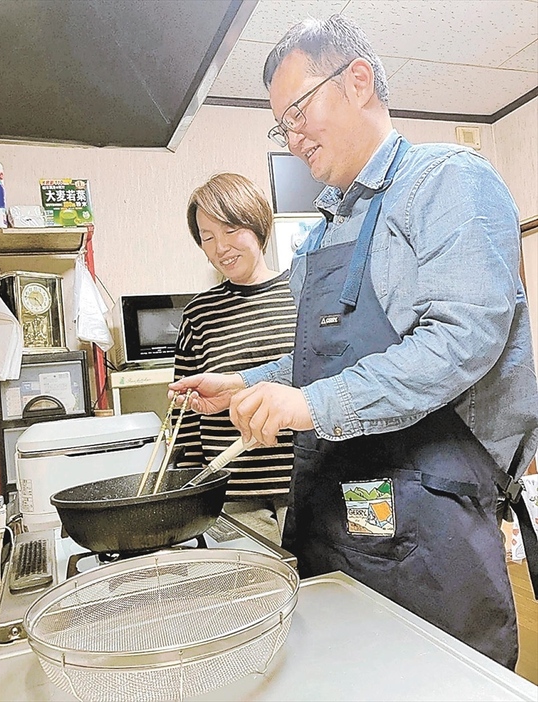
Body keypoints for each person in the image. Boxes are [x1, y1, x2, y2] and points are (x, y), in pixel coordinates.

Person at [169, 16, 538, 668]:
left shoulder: (447, 183)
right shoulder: (325, 230)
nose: (292, 135)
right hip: (345, 508)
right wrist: (250, 383)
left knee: (434, 674)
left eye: (299, 109)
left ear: (358, 80)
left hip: (430, 513)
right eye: (281, 124)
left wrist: (308, 405)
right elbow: (324, 361)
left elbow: (462, 339)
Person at [172, 172, 296, 544]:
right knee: (255, 595)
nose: (219, 247)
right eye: (207, 237)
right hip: (232, 490)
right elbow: (188, 412)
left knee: (319, 587)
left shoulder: (302, 294)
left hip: (304, 481)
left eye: (230, 230)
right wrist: (193, 488)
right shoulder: (199, 314)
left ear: (257, 226)